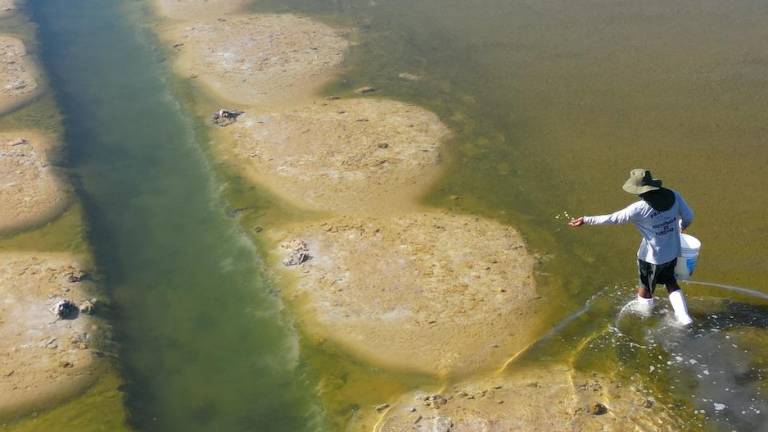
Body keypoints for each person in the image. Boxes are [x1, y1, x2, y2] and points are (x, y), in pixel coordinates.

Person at [568, 169, 695, 325]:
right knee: (670, 282)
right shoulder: (674, 195)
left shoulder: (639, 209)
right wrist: (679, 228)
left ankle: (644, 320)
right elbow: (689, 217)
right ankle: (684, 318)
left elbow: (613, 218)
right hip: (673, 251)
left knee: (646, 288)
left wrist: (586, 220)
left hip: (651, 257)